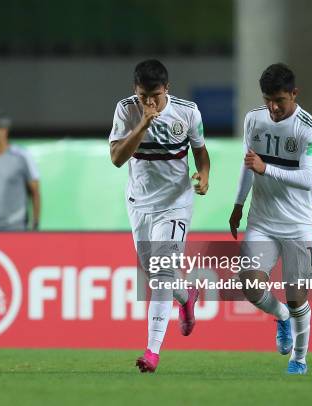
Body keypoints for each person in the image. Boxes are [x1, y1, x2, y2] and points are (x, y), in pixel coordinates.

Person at [109, 59, 211, 373]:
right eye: (143, 96)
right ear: (134, 91)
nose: (149, 102)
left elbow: (200, 151)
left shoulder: (188, 111)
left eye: (154, 95)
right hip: (140, 203)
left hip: (176, 203)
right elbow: (116, 158)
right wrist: (142, 123)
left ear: (166, 88)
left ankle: (152, 352)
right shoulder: (126, 110)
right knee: (154, 274)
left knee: (163, 273)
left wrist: (203, 174)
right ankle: (187, 296)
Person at [229, 63, 312, 375]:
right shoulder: (254, 119)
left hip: (299, 223)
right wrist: (239, 204)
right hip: (263, 220)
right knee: (250, 285)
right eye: (268, 99)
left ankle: (299, 359)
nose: (272, 107)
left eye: (279, 100)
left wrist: (265, 168)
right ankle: (280, 316)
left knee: (298, 296)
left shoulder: (309, 128)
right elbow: (247, 164)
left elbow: (308, 179)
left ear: (294, 94)